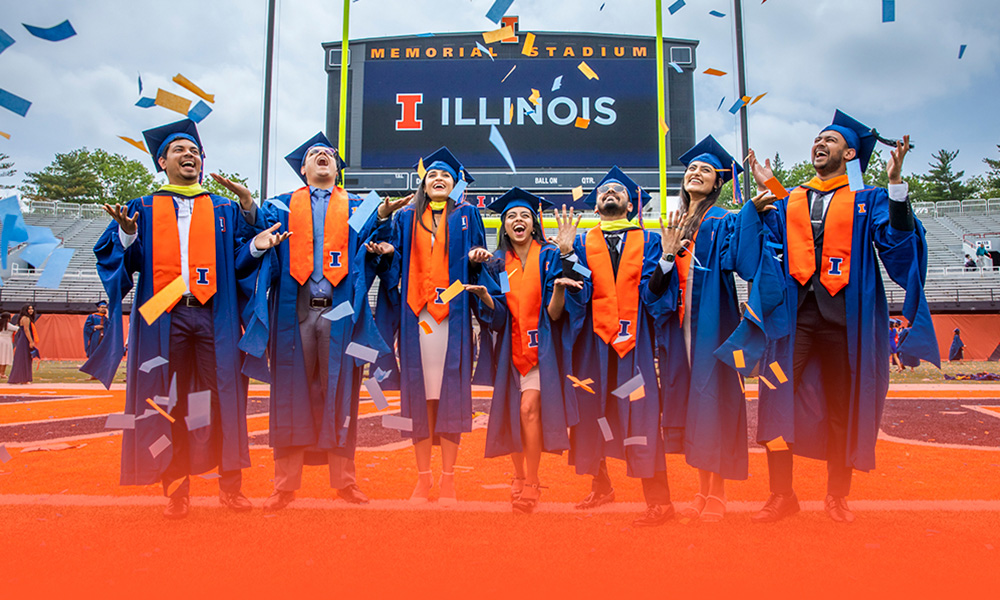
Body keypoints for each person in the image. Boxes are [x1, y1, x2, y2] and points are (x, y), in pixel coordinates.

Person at [741, 110, 938, 524]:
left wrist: (897, 185)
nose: (819, 143)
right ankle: (782, 495)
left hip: (844, 319)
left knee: (841, 406)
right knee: (776, 398)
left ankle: (837, 496)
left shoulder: (868, 200)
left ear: (849, 153)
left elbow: (897, 242)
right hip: (793, 319)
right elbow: (770, 236)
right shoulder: (792, 196)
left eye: (829, 140)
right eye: (817, 138)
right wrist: (767, 188)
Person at [83, 118, 285, 519]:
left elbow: (239, 263)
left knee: (225, 397)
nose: (189, 155)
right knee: (165, 400)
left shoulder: (223, 207)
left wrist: (258, 247)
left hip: (214, 312)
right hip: (163, 312)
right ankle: (177, 491)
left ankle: (231, 487)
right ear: (162, 161)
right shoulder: (142, 207)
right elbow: (126, 263)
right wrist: (126, 236)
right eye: (179, 150)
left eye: (195, 150)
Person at [241, 132, 386, 511]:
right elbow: (255, 226)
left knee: (341, 394)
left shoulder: (357, 206)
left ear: (337, 168)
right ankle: (285, 485)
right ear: (302, 168)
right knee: (290, 393)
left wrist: (383, 230)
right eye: (313, 154)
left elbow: (381, 235)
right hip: (295, 310)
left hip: (340, 312)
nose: (322, 156)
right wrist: (247, 206)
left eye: (329, 154)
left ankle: (345, 482)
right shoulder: (282, 207)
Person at [368, 147, 489, 505]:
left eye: (446, 177)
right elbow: (394, 257)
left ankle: (448, 480)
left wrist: (474, 257)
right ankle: (423, 480)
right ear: (423, 183)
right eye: (432, 176)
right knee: (418, 399)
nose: (439, 179)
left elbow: (480, 258)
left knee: (449, 398)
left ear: (454, 185)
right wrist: (390, 253)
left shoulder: (467, 215)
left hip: (452, 318)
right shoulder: (406, 216)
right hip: (416, 316)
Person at [658, 136, 770, 522]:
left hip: (712, 323)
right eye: (691, 168)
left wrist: (750, 213)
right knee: (694, 406)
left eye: (705, 170)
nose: (696, 172)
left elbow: (744, 261)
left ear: (717, 183)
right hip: (679, 324)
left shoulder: (722, 220)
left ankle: (716, 492)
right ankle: (702, 489)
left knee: (714, 403)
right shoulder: (675, 223)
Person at [556, 167, 676, 527]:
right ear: (596, 204)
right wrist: (565, 255)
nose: (611, 194)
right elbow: (579, 291)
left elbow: (654, 295)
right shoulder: (580, 242)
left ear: (629, 203)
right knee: (594, 410)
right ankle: (602, 485)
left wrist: (668, 260)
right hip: (593, 341)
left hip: (632, 341)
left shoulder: (650, 241)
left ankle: (660, 501)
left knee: (640, 413)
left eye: (618, 191)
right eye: (604, 191)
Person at [478, 188, 581, 513]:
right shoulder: (498, 265)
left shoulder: (549, 256)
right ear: (504, 226)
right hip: (512, 348)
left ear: (534, 224)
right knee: (515, 412)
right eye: (511, 216)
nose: (517, 220)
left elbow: (554, 313)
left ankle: (532, 480)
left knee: (527, 409)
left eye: (524, 215)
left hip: (543, 348)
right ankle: (519, 476)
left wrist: (561, 289)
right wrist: (484, 298)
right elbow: (498, 317)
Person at [8, 305, 35, 384]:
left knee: (23, 358)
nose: (31, 310)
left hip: (22, 339)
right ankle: (23, 379)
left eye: (32, 309)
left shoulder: (22, 318)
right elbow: (26, 330)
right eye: (29, 309)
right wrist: (31, 341)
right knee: (24, 358)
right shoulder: (26, 318)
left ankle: (22, 378)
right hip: (24, 340)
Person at [0, 312, 15, 378]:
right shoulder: (8, 325)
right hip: (6, 342)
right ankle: (2, 373)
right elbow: (17, 328)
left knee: (1, 357)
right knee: (4, 357)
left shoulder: (1, 324)